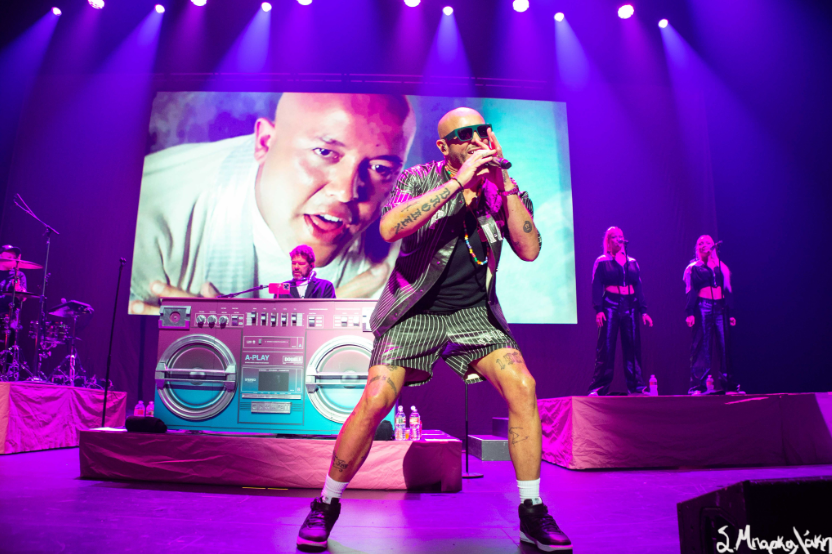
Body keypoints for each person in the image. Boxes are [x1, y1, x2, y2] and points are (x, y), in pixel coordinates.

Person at [296, 108, 572, 553]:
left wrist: (503, 182)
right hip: (413, 310)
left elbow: (529, 250)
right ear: (444, 147)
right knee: (376, 400)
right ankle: (326, 503)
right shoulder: (419, 178)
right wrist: (458, 183)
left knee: (523, 386)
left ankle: (531, 509)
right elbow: (390, 227)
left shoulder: (502, 188)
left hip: (473, 314)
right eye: (463, 136)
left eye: (480, 131)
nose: (475, 140)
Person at [129, 93, 416, 315]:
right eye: (324, 152)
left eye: (381, 169)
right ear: (265, 143)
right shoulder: (146, 216)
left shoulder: (409, 252)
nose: (345, 193)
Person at [587, 227, 653, 396]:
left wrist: (643, 311)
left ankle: (636, 386)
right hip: (610, 304)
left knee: (632, 346)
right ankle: (599, 388)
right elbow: (596, 286)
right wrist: (598, 309)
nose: (618, 239)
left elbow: (638, 286)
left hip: (630, 305)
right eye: (614, 237)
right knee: (606, 346)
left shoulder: (632, 262)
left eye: (620, 236)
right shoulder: (602, 261)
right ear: (608, 241)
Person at [684, 235, 738, 395]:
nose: (704, 245)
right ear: (697, 248)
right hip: (703, 306)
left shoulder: (721, 266)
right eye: (700, 243)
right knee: (702, 346)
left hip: (721, 307)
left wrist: (731, 312)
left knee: (724, 345)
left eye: (707, 242)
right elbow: (690, 291)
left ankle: (729, 384)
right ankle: (697, 385)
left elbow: (728, 290)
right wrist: (690, 312)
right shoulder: (693, 267)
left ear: (713, 246)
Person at [0, 245, 27, 351]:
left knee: (9, 347)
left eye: (13, 258)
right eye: (9, 257)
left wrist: (17, 287)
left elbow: (23, 298)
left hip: (9, 317)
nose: (12, 260)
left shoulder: (19, 275)